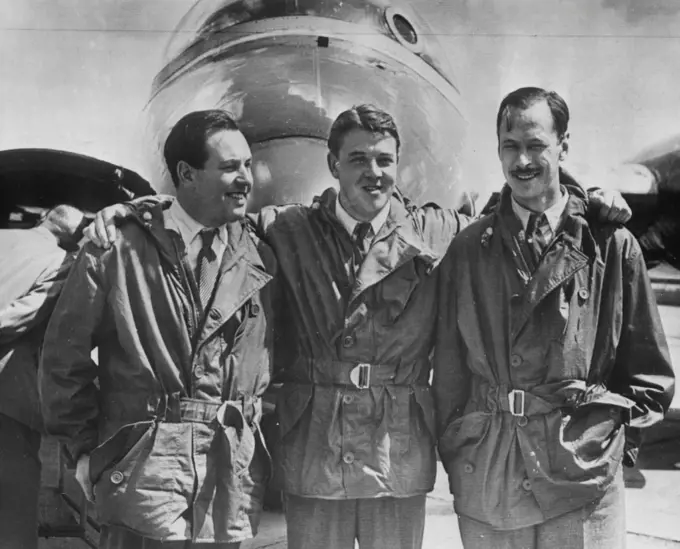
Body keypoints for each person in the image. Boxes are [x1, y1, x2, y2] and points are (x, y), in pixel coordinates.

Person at [84, 104, 630, 549]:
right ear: (333, 164)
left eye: (386, 160)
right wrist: (139, 210)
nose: (375, 173)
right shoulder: (286, 228)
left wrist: (585, 199)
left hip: (396, 447)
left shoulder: (437, 232)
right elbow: (207, 217)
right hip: (316, 444)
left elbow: (523, 218)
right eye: (359, 159)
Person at [433, 87, 675, 549]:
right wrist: (462, 447)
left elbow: (648, 372)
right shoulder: (468, 248)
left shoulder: (611, 244)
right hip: (490, 475)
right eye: (510, 146)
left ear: (564, 145)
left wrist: (605, 443)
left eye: (536, 145)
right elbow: (448, 372)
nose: (522, 160)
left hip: (581, 479)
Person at [39, 110, 278, 549]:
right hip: (140, 477)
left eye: (247, 164)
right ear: (186, 174)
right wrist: (84, 452)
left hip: (227, 485)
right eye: (229, 167)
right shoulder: (116, 248)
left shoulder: (260, 252)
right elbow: (62, 362)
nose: (247, 177)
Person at [0, 204, 87, 549]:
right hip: (8, 395)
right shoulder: (61, 263)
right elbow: (23, 317)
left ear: (43, 219)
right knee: (14, 500)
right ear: (72, 238)